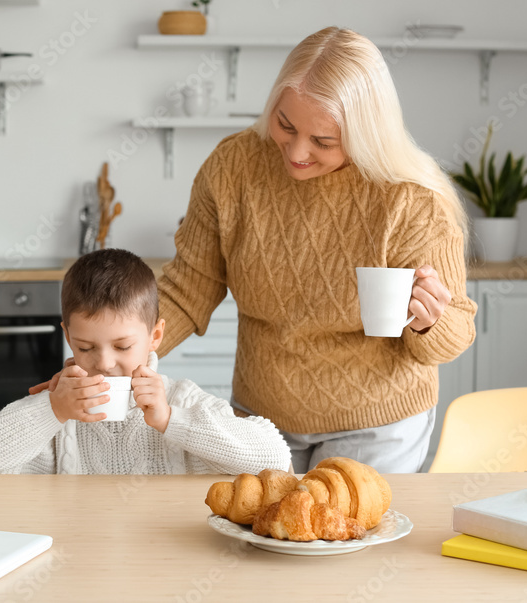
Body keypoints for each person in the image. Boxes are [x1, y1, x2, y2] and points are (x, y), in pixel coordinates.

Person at [155, 26, 477, 474]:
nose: (297, 152)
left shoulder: (410, 198)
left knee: (348, 539)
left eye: (323, 141)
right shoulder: (233, 167)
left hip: (376, 422)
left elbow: (456, 328)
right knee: (251, 539)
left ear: (366, 133)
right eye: (285, 125)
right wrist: (115, 353)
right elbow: (187, 288)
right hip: (261, 417)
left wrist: (430, 322)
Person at [0, 249, 290, 475]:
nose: (105, 363)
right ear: (68, 337)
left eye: (123, 346)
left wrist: (172, 419)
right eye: (86, 346)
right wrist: (51, 410)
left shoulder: (180, 400)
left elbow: (274, 458)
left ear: (155, 336)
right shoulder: (59, 407)